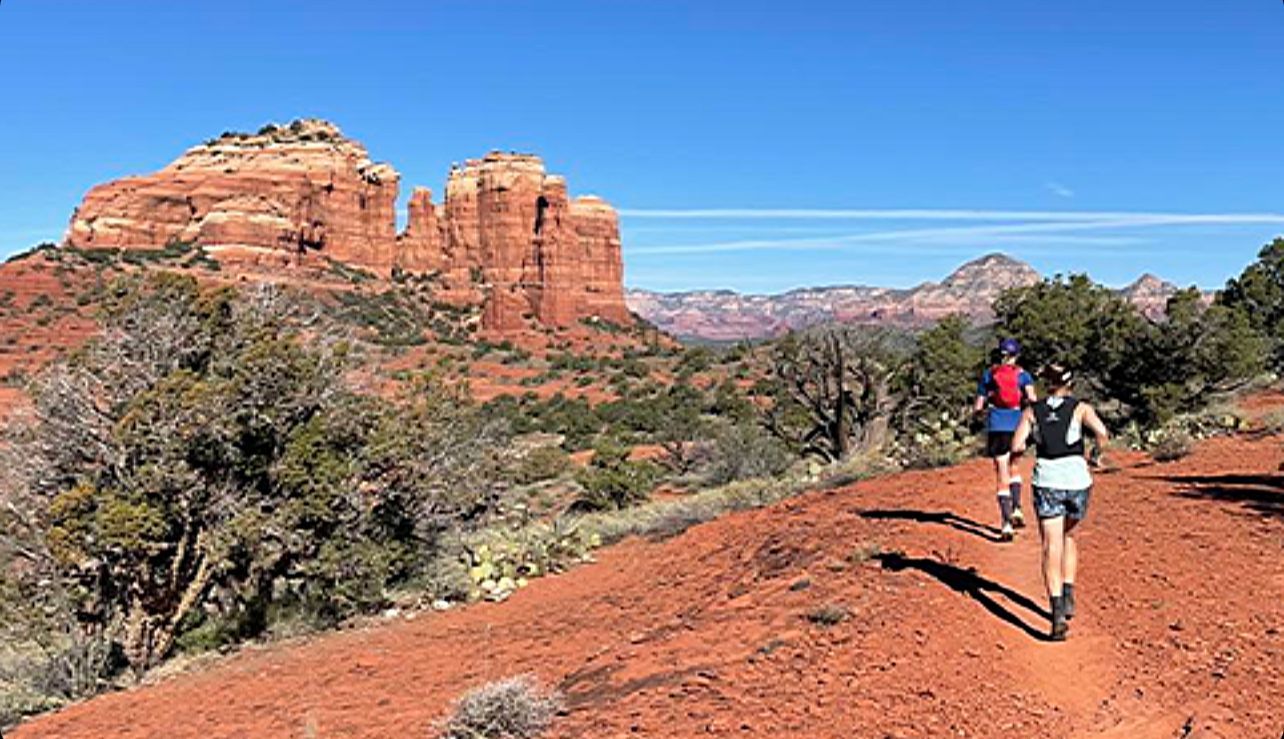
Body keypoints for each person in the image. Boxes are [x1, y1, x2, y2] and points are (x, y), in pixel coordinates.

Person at [1011, 363, 1109, 641]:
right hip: (1077, 480)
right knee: (1068, 535)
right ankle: (1068, 593)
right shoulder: (1081, 409)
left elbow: (1017, 446)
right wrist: (1095, 455)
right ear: (1070, 383)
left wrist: (1032, 441)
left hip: (1048, 480)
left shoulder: (1032, 411)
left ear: (1046, 384)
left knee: (1051, 544)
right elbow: (1102, 433)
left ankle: (1056, 614)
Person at [973, 338, 1037, 541]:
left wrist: (978, 416)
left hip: (997, 425)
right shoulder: (1023, 375)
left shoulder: (989, 375)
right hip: (1018, 424)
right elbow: (1033, 399)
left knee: (1002, 474)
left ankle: (1006, 524)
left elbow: (978, 406)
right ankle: (1018, 507)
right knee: (1015, 466)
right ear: (1017, 355)